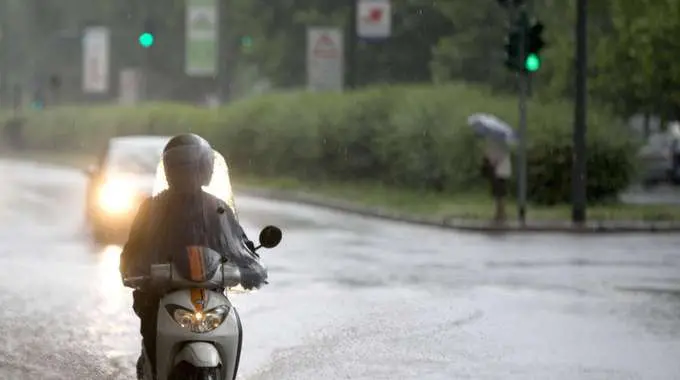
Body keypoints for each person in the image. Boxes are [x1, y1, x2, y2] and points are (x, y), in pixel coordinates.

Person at [119, 133, 267, 379]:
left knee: (234, 321)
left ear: (208, 169)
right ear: (169, 170)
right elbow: (131, 254)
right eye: (182, 166)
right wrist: (141, 273)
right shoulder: (151, 209)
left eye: (196, 166)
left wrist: (250, 268)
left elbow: (240, 247)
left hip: (209, 295)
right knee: (150, 322)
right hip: (159, 295)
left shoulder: (218, 209)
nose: (190, 172)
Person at [482, 139, 512, 223]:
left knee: (499, 194)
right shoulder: (503, 144)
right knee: (499, 194)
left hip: (498, 172)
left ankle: (500, 214)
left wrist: (488, 158)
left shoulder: (497, 145)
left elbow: (494, 159)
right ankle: (500, 213)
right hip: (503, 172)